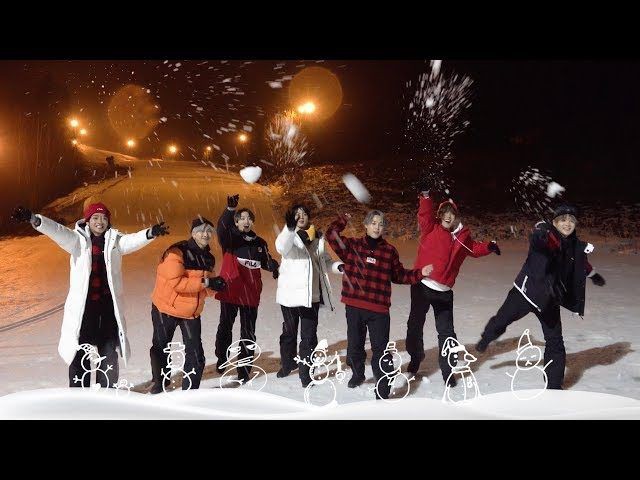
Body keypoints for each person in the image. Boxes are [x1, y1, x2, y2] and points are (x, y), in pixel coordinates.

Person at [10, 202, 168, 388]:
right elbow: (58, 231)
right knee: (80, 352)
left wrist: (149, 233)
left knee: (108, 353)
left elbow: (131, 241)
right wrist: (35, 219)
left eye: (104, 218)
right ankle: (79, 394)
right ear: (87, 220)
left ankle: (107, 393)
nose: (100, 222)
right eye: (95, 218)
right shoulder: (77, 240)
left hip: (108, 309)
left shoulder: (114, 241)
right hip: (84, 309)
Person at [475, 204, 606, 389]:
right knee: (501, 321)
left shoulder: (574, 246)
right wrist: (540, 232)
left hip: (549, 300)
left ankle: (554, 386)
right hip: (525, 292)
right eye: (563, 220)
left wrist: (593, 275)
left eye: (571, 220)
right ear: (555, 222)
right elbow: (540, 239)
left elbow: (580, 263)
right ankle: (486, 338)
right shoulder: (547, 235)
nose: (567, 224)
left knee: (555, 341)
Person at [326, 210, 433, 399]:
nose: (377, 227)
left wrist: (420, 273)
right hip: (355, 306)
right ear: (366, 225)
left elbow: (399, 275)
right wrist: (343, 220)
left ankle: (383, 388)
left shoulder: (389, 251)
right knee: (355, 346)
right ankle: (358, 374)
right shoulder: (352, 246)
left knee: (381, 350)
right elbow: (331, 235)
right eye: (373, 223)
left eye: (380, 224)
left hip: (379, 310)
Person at [406, 191, 501, 386]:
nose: (448, 216)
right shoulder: (430, 227)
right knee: (415, 325)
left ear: (455, 216)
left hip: (444, 292)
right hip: (422, 286)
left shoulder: (462, 236)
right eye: (445, 212)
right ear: (440, 215)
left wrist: (489, 247)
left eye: (451, 213)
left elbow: (474, 249)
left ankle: (448, 371)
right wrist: (425, 198)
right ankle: (415, 357)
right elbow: (424, 214)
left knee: (447, 333)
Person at [149, 216, 226, 393]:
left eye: (209, 231)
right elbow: (176, 283)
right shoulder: (176, 252)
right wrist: (206, 282)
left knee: (196, 354)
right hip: (166, 308)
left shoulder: (208, 258)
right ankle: (160, 382)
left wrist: (215, 287)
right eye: (201, 231)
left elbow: (203, 289)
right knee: (161, 346)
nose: (206, 234)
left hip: (190, 313)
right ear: (193, 233)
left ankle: (190, 392)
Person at [274, 204, 343, 387]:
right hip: (290, 296)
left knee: (309, 337)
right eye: (297, 214)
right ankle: (287, 364)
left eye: (304, 213)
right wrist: (289, 228)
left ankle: (306, 373)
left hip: (311, 296)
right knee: (289, 333)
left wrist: (338, 267)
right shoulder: (289, 236)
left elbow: (324, 260)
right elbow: (281, 247)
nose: (301, 216)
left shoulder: (317, 237)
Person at [214, 194, 279, 383]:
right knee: (225, 327)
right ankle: (222, 357)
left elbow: (265, 261)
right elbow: (221, 228)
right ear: (236, 222)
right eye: (241, 218)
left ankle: (244, 368)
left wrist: (273, 266)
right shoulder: (230, 240)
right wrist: (230, 210)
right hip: (231, 290)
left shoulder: (260, 243)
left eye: (249, 218)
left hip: (250, 293)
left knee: (248, 332)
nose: (246, 221)